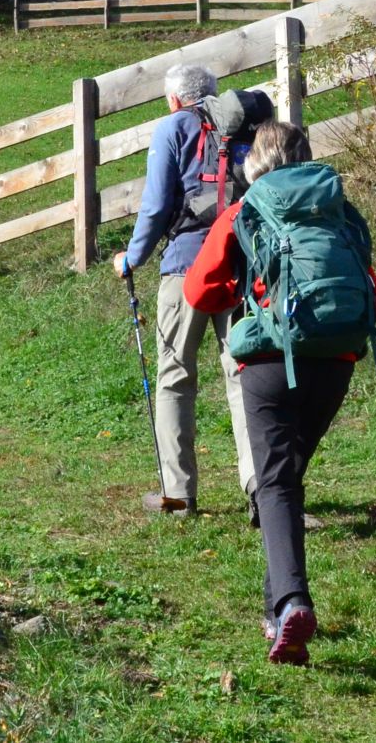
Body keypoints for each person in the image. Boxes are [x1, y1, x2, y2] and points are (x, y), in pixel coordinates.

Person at [184, 120, 376, 665]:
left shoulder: (244, 210)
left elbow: (199, 290)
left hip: (270, 362)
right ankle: (276, 611)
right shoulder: (339, 209)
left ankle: (293, 602)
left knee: (274, 484)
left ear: (257, 161)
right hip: (337, 359)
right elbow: (370, 287)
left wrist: (241, 290)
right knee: (287, 479)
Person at [115, 63, 272, 515]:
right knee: (243, 375)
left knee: (175, 376)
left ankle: (179, 494)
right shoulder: (242, 127)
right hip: (241, 262)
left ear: (174, 100)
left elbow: (156, 204)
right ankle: (262, 491)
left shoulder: (172, 128)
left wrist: (133, 257)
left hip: (187, 268)